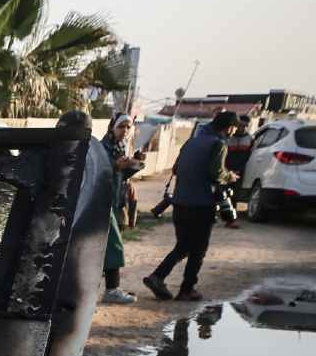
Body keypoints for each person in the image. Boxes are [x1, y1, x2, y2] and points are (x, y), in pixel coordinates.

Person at [142, 110, 240, 301]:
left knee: (184, 245)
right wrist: (231, 176)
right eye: (234, 128)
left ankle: (157, 277)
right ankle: (187, 289)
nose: (234, 132)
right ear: (229, 128)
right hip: (201, 204)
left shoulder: (191, 142)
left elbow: (176, 168)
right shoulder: (218, 144)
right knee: (198, 249)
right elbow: (216, 173)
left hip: (180, 202)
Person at [100, 114, 141, 303]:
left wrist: (135, 165)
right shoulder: (102, 148)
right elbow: (98, 172)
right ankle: (112, 290)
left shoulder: (120, 147)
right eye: (121, 126)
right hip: (101, 202)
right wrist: (115, 165)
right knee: (113, 247)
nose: (125, 130)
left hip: (115, 202)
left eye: (128, 127)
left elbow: (121, 176)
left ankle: (107, 289)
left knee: (107, 248)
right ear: (112, 128)